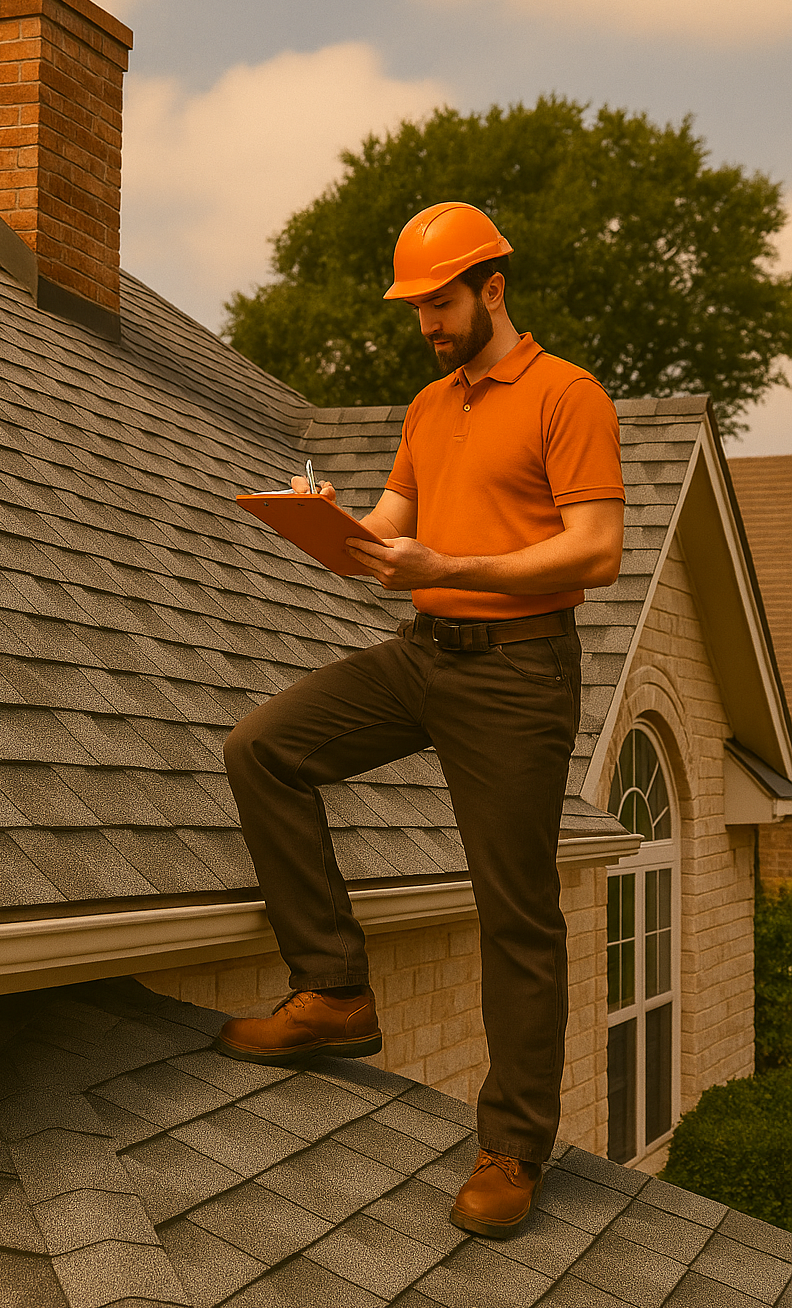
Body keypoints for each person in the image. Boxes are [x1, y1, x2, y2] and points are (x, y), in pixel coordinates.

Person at [216, 202, 625, 1238]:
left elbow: (595, 549)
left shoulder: (565, 395)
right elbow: (392, 528)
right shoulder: (427, 405)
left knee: (515, 910)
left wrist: (451, 567)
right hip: (421, 654)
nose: (426, 326)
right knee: (264, 746)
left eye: (437, 304)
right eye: (415, 310)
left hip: (520, 673)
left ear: (491, 288)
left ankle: (513, 1143)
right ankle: (333, 992)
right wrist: (319, 522)